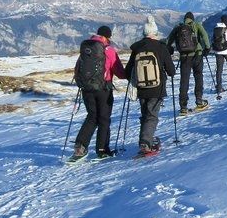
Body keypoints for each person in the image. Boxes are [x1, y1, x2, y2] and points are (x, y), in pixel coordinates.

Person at [71, 25, 127, 160]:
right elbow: (120, 72)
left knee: (91, 117)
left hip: (86, 89)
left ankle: (80, 147)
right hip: (103, 90)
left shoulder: (86, 49)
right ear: (107, 37)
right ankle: (102, 150)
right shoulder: (109, 50)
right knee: (103, 119)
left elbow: (78, 68)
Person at [125, 16, 175, 156]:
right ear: (155, 33)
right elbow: (171, 71)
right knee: (152, 116)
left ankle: (145, 139)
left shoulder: (137, 48)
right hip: (157, 87)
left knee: (145, 115)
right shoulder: (161, 47)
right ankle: (146, 143)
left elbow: (127, 71)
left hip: (141, 88)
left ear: (144, 33)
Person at [166, 12, 210, 114]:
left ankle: (183, 107)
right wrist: (207, 48)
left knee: (184, 81)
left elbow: (168, 41)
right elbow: (205, 36)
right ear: (192, 19)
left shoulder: (178, 27)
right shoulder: (197, 25)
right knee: (198, 76)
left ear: (184, 19)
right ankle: (199, 101)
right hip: (197, 55)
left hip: (184, 57)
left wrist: (169, 49)